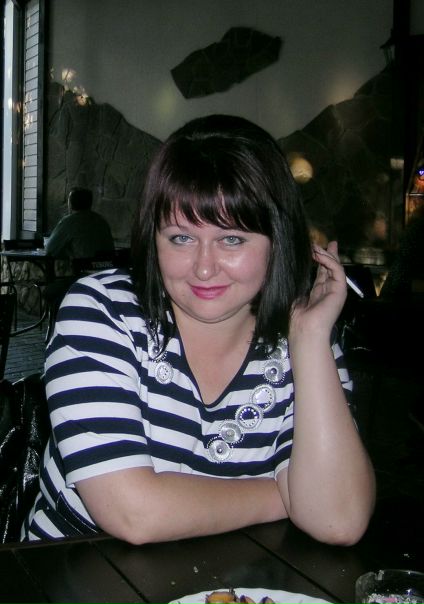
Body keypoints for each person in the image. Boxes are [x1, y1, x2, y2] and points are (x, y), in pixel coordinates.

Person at [22, 115, 375, 545]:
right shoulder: (102, 310)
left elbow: (338, 520)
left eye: (232, 239)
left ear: (278, 240)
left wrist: (311, 339)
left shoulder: (303, 337)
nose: (204, 268)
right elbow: (132, 512)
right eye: (181, 238)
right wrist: (288, 498)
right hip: (77, 568)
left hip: (234, 575)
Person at [45, 187, 114, 260]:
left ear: (70, 204)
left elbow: (50, 249)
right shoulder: (101, 220)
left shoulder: (69, 222)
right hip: (105, 265)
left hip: (82, 265)